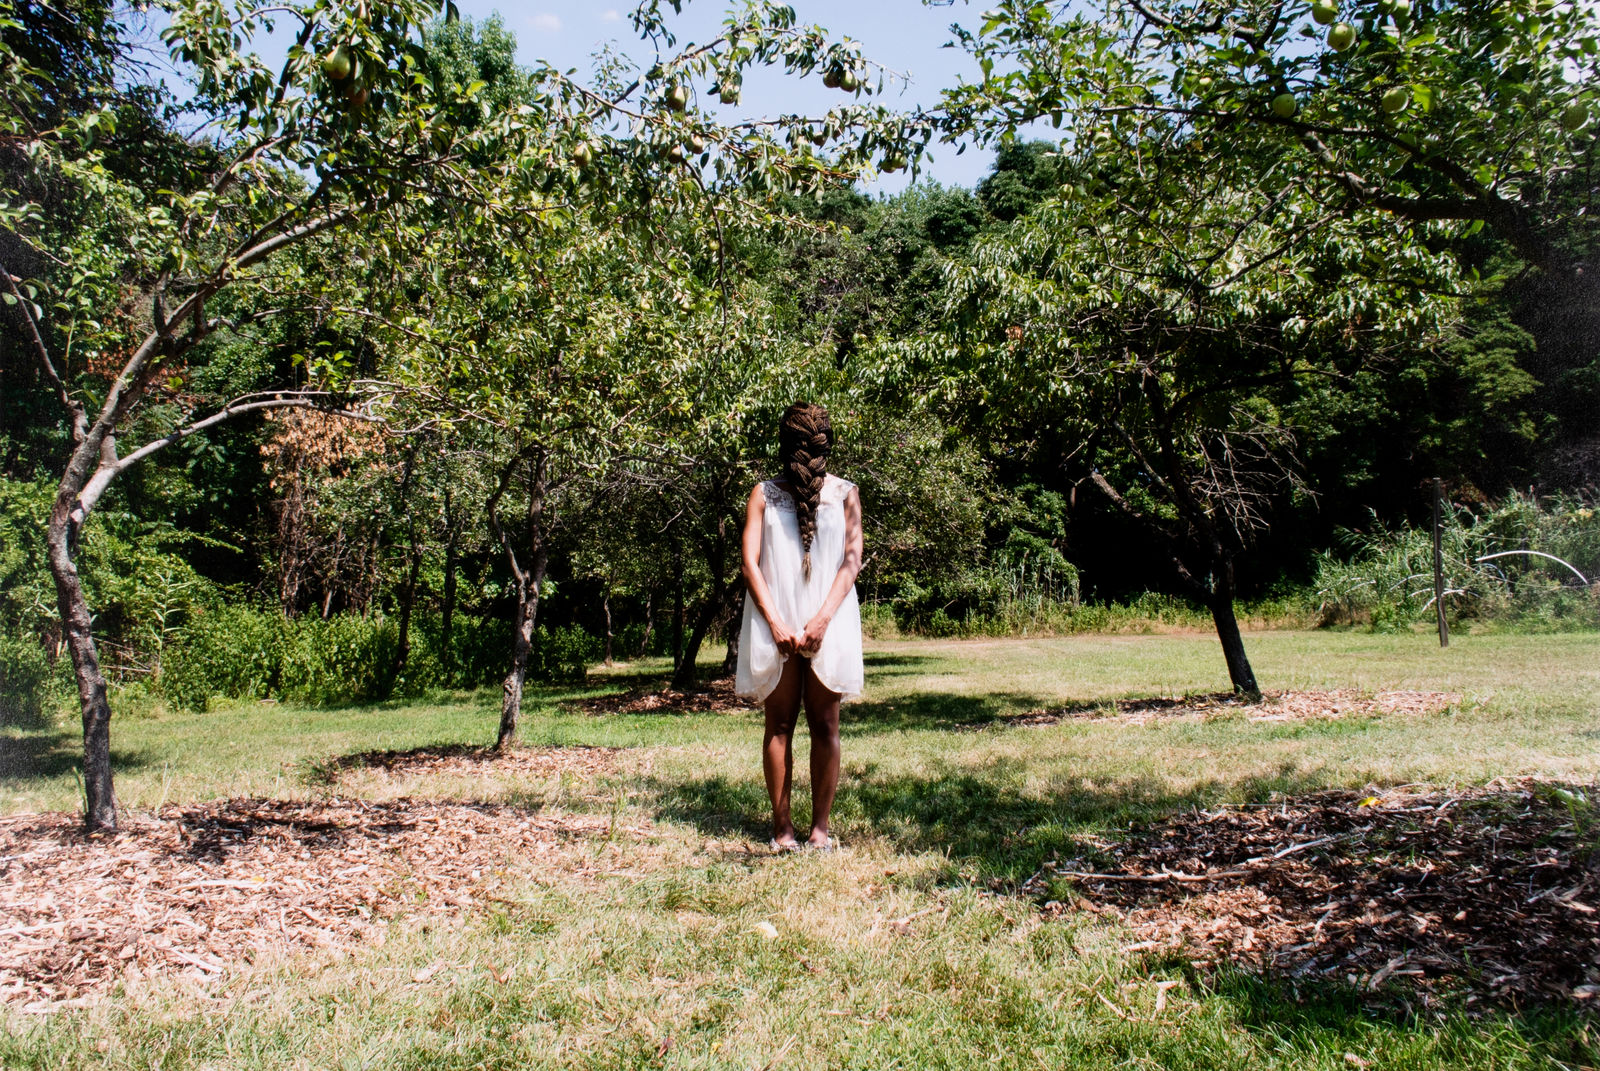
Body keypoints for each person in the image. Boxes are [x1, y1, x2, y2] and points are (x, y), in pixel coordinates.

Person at [735, 402, 864, 851]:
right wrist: (775, 622)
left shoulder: (845, 494)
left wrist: (822, 619)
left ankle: (814, 831)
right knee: (790, 724)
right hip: (781, 621)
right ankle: (785, 829)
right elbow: (750, 564)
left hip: (824, 620)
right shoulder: (764, 495)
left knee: (804, 723)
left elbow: (852, 562)